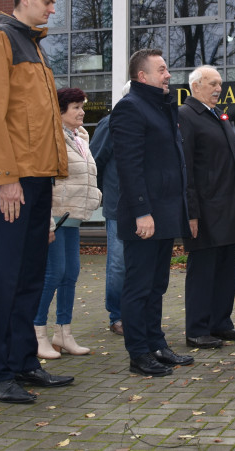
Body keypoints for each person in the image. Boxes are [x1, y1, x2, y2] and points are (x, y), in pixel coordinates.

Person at [0, 0, 73, 404]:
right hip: (14, 181)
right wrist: (6, 178)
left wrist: (45, 183)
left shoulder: (33, 45)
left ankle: (23, 363)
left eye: (53, 3)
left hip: (38, 180)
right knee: (7, 278)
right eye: (47, 1)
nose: (52, 9)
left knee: (31, 276)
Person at [111, 48, 195, 377]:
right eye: (161, 69)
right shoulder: (130, 109)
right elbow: (129, 168)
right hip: (144, 217)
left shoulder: (163, 108)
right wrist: (141, 213)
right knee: (138, 286)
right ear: (142, 76)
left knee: (157, 284)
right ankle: (139, 353)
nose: (168, 74)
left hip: (165, 213)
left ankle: (157, 343)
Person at [178, 66, 235, 349]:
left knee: (225, 270)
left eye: (220, 83)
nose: (218, 88)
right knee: (203, 271)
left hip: (228, 210)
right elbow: (185, 169)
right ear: (195, 86)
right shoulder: (186, 116)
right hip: (206, 211)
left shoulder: (218, 115)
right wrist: (191, 213)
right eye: (212, 83)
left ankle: (220, 324)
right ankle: (197, 329)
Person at [33, 87, 102, 359]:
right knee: (54, 274)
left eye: (82, 106)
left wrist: (95, 197)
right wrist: (46, 220)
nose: (82, 111)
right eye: (75, 107)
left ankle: (63, 333)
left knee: (70, 274)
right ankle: (37, 333)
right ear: (60, 111)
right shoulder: (52, 138)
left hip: (73, 219)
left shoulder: (81, 137)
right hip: (56, 218)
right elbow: (46, 180)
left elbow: (86, 175)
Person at [89, 81, 132, 338]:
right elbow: (95, 161)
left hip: (145, 208)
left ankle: (135, 313)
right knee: (118, 264)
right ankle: (116, 315)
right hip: (118, 206)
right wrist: (101, 194)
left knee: (137, 265)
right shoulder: (110, 123)